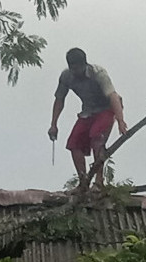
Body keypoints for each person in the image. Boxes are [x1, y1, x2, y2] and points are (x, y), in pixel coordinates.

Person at [48, 48, 127, 191]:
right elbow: (59, 99)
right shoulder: (66, 77)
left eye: (77, 67)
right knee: (74, 143)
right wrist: (53, 124)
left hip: (107, 109)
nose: (75, 71)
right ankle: (83, 182)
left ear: (84, 64)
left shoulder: (98, 74)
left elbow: (113, 97)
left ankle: (99, 181)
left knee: (97, 138)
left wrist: (121, 121)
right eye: (72, 67)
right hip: (88, 111)